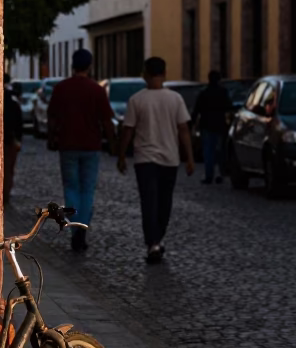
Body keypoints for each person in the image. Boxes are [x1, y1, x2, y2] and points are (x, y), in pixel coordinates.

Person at [117, 56, 194, 264]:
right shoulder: (175, 99)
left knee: (148, 201)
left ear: (145, 74)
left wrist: (121, 155)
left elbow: (128, 130)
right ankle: (156, 239)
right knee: (164, 201)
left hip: (145, 159)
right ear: (164, 74)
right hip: (169, 158)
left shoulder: (136, 100)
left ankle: (153, 242)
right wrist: (189, 157)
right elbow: (184, 129)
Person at [47, 48, 115, 252]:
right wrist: (113, 143)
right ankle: (82, 229)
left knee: (71, 188)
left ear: (72, 65)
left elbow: (52, 118)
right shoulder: (96, 90)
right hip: (91, 146)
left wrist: (52, 139)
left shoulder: (61, 88)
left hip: (67, 145)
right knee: (87, 190)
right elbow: (107, 121)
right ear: (89, 66)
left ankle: (75, 229)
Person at [192, 70, 233, 185]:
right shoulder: (223, 92)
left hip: (207, 125)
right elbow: (229, 106)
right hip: (220, 124)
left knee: (208, 151)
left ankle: (209, 175)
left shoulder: (203, 93)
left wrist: (192, 122)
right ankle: (221, 173)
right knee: (220, 151)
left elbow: (197, 109)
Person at [3, 73, 23, 207]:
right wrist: (18, 140)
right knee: (8, 170)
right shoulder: (12, 101)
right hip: (9, 141)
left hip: (3, 140)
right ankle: (5, 196)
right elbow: (18, 123)